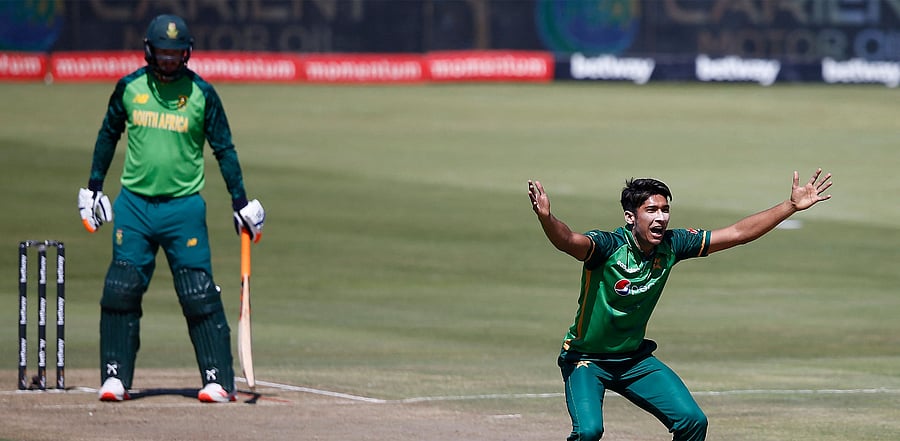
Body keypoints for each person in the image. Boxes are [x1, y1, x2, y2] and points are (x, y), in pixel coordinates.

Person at [528, 169, 832, 440]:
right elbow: (569, 240)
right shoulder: (608, 248)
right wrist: (547, 219)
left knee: (692, 421)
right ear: (631, 217)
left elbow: (738, 234)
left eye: (665, 210)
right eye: (651, 210)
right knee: (589, 432)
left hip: (633, 360)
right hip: (586, 360)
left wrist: (790, 206)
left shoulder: (672, 245)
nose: (660, 217)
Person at [77, 14, 266, 403]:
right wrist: (94, 187)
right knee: (120, 289)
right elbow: (108, 134)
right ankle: (115, 378)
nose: (168, 61)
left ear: (187, 54)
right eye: (162, 53)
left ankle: (217, 380)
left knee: (198, 293)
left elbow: (224, 149)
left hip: (184, 209)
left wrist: (240, 201)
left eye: (176, 54)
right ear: (149, 51)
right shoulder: (129, 88)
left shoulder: (202, 94)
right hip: (134, 206)